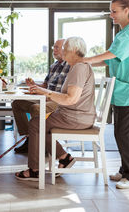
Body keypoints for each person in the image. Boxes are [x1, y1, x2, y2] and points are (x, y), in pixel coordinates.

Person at [83, 0, 129, 190]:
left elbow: (114, 54)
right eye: (111, 11)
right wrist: (88, 62)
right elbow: (110, 60)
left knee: (126, 134)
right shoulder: (122, 33)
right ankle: (125, 170)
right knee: (120, 133)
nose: (111, 15)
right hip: (121, 91)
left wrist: (89, 59)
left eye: (114, 11)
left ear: (127, 10)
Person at [15, 37, 96, 181]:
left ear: (74, 50)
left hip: (76, 117)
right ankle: (64, 157)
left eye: (65, 48)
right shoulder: (76, 67)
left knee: (36, 124)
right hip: (72, 114)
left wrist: (46, 93)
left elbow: (71, 99)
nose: (62, 51)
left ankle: (35, 170)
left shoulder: (79, 67)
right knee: (39, 124)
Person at [12, 39, 70, 154]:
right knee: (17, 103)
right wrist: (34, 85)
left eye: (57, 47)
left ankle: (42, 145)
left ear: (65, 49)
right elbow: (45, 85)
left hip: (58, 101)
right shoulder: (53, 66)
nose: (54, 49)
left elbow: (68, 93)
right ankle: (30, 139)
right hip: (45, 98)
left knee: (36, 108)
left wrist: (49, 95)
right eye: (54, 47)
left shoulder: (70, 66)